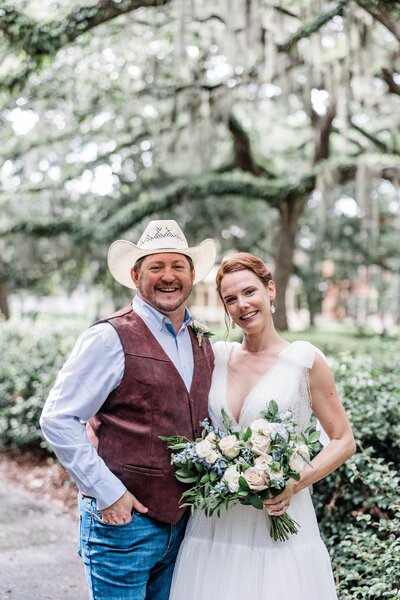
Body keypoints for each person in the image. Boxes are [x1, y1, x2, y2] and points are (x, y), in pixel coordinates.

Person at [40, 219, 217, 600]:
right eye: (156, 266)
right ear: (136, 275)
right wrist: (108, 493)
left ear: (192, 276)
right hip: (124, 527)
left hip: (183, 526)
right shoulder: (109, 336)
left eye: (178, 266)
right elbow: (58, 419)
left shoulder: (201, 340)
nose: (168, 276)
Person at [169, 252, 356, 600]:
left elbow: (343, 440)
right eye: (231, 299)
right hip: (216, 523)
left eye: (249, 292)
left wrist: (292, 484)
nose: (242, 305)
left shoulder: (303, 360)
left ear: (270, 290)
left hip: (277, 520)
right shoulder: (217, 356)